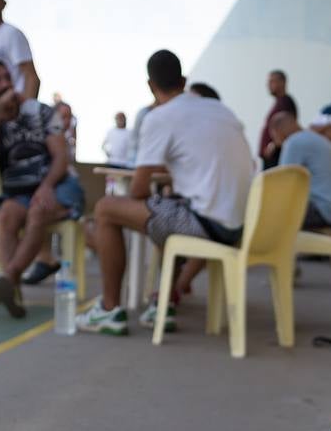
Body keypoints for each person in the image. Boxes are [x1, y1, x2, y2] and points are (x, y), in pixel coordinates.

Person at [78, 49, 253, 336]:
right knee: (166, 210)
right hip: (241, 224)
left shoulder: (160, 117)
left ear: (150, 85)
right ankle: (163, 303)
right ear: (183, 81)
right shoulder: (221, 110)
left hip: (207, 226)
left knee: (106, 209)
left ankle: (109, 310)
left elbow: (137, 189)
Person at [0, 61, 84, 317]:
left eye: (7, 78)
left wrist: (47, 186)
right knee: (5, 214)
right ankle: (13, 295)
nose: (5, 84)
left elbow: (61, 158)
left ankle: (8, 278)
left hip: (59, 184)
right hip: (19, 193)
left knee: (38, 210)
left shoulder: (40, 111)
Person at [270, 111, 331, 230]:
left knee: (271, 212)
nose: (276, 143)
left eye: (274, 138)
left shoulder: (293, 142)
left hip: (323, 210)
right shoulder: (314, 138)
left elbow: (283, 186)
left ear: (278, 132)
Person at [257, 69, 296, 169]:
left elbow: (288, 128)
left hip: (276, 156)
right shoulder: (279, 103)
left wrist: (273, 144)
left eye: (272, 81)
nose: (268, 85)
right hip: (270, 157)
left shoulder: (286, 102)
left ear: (282, 82)